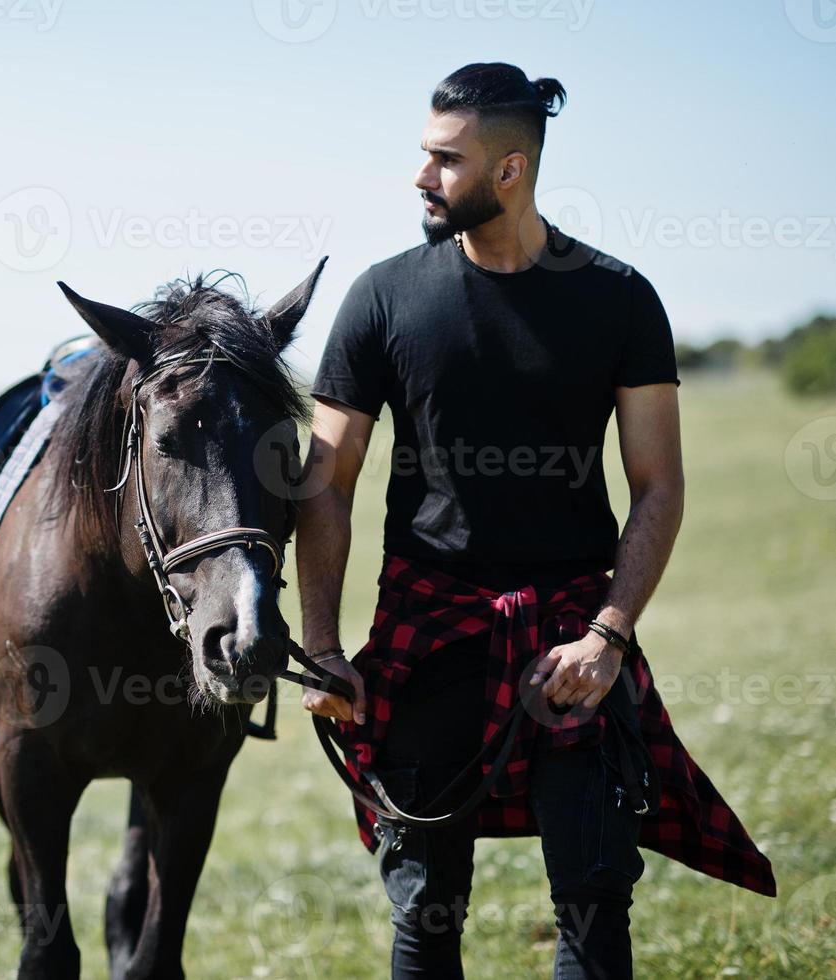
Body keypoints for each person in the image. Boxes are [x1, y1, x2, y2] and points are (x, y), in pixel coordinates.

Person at [294, 62, 775, 979]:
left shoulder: (617, 297)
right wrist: (321, 642)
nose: (420, 177)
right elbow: (325, 478)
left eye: (444, 159)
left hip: (571, 637)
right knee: (425, 908)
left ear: (508, 170)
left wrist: (609, 635)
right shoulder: (382, 296)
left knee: (594, 901)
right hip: (428, 625)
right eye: (422, 155)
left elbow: (658, 485)